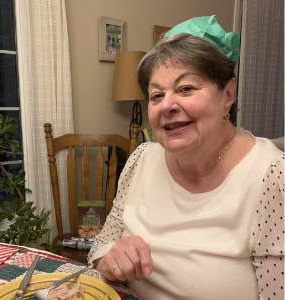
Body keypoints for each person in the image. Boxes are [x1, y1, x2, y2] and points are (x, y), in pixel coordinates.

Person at [88, 16, 283, 300]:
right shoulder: (141, 158)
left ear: (227, 95)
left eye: (186, 89)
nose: (167, 105)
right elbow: (101, 246)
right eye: (156, 95)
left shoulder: (272, 175)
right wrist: (109, 260)